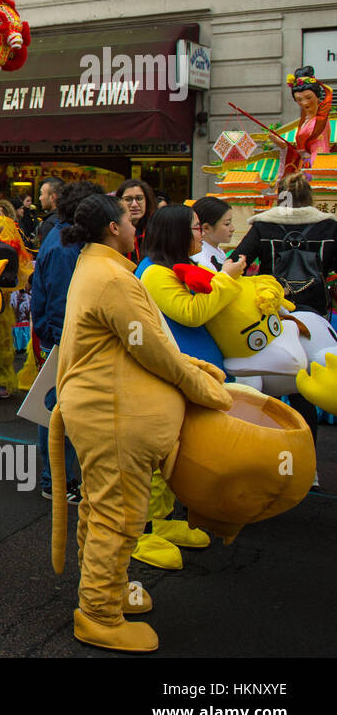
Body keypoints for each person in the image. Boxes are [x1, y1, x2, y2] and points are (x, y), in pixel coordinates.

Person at [51, 193, 231, 653]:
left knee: (101, 507)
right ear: (114, 227)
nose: (137, 226)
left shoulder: (101, 268)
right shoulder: (113, 276)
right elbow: (152, 348)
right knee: (118, 515)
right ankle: (98, 614)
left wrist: (191, 371)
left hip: (104, 413)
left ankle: (107, 592)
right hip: (111, 416)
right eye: (130, 220)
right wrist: (200, 384)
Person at [135, 205, 248, 569]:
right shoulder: (153, 273)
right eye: (197, 227)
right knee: (157, 453)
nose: (201, 233)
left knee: (176, 452)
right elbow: (192, 313)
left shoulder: (175, 268)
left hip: (189, 377)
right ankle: (143, 529)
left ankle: (164, 521)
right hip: (167, 377)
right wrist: (227, 280)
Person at [230, 172, 337, 455]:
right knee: (306, 393)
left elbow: (236, 262)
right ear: (309, 196)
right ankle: (308, 463)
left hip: (273, 315)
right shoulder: (328, 226)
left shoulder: (263, 226)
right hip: (315, 319)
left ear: (279, 195)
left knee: (260, 387)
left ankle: (260, 455)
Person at [30, 181, 104, 503]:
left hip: (65, 339)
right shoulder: (63, 245)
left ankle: (58, 477)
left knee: (60, 408)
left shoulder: (68, 239)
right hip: (63, 341)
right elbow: (60, 303)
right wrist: (66, 344)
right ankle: (56, 481)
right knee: (58, 411)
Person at [115, 179, 156, 264]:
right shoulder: (113, 232)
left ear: (147, 201)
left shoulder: (156, 231)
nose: (134, 204)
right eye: (128, 199)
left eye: (139, 198)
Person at [191, 196, 234, 271]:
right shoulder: (201, 259)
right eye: (227, 224)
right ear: (206, 227)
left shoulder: (216, 250)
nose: (232, 228)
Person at [36, 176, 64, 246]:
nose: (40, 198)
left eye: (41, 194)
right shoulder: (69, 218)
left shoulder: (50, 224)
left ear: (52, 197)